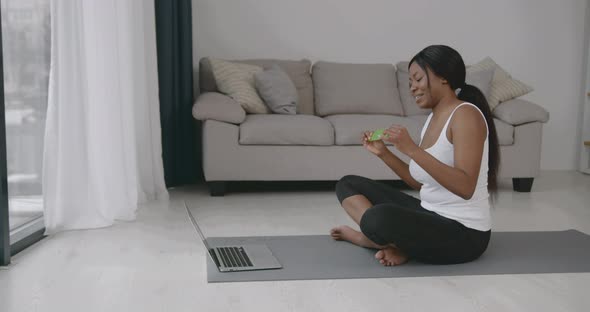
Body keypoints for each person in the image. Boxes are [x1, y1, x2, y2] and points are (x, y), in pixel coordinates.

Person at [330, 45, 500, 266]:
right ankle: (397, 243)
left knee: (377, 217)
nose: (412, 88)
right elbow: (422, 184)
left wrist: (411, 148)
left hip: (464, 234)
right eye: (410, 82)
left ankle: (370, 240)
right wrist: (385, 154)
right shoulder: (432, 119)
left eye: (418, 79)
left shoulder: (465, 115)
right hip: (429, 214)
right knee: (348, 184)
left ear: (443, 77)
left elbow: (466, 187)